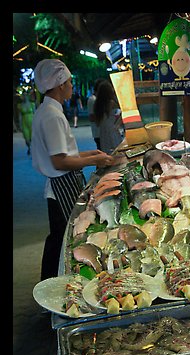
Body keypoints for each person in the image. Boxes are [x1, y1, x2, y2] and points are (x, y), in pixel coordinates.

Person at [31, 58, 114, 280]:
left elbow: (66, 154)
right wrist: (91, 161)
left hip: (62, 181)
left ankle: (50, 280)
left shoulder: (49, 109)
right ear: (60, 84)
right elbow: (60, 161)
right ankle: (53, 285)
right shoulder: (52, 115)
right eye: (69, 82)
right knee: (63, 238)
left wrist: (94, 155)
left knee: (58, 237)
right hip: (62, 185)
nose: (71, 86)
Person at [93, 79, 125, 154]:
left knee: (107, 150)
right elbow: (123, 110)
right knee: (116, 150)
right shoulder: (111, 103)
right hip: (112, 130)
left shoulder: (97, 104)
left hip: (103, 130)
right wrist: (118, 123)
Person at [87, 78, 105, 149]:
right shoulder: (93, 100)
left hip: (101, 132)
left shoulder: (96, 99)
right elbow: (91, 117)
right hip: (99, 132)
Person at [17, 90, 35, 155]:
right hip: (24, 123)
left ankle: (32, 149)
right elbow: (19, 116)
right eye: (23, 95)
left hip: (32, 122)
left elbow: (35, 113)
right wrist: (19, 124)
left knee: (32, 137)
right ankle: (29, 147)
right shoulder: (20, 106)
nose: (24, 96)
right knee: (27, 139)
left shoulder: (32, 104)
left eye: (25, 95)